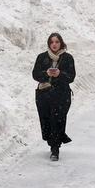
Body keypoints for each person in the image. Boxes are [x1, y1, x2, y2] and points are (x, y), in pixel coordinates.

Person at [33, 32, 76, 160]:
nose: (54, 44)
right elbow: (35, 74)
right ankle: (51, 141)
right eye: (52, 42)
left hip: (62, 95)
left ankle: (55, 148)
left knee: (57, 120)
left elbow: (71, 77)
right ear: (49, 44)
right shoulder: (42, 57)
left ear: (61, 43)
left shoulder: (68, 58)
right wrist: (46, 73)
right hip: (44, 95)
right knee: (46, 121)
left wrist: (60, 74)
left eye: (57, 42)